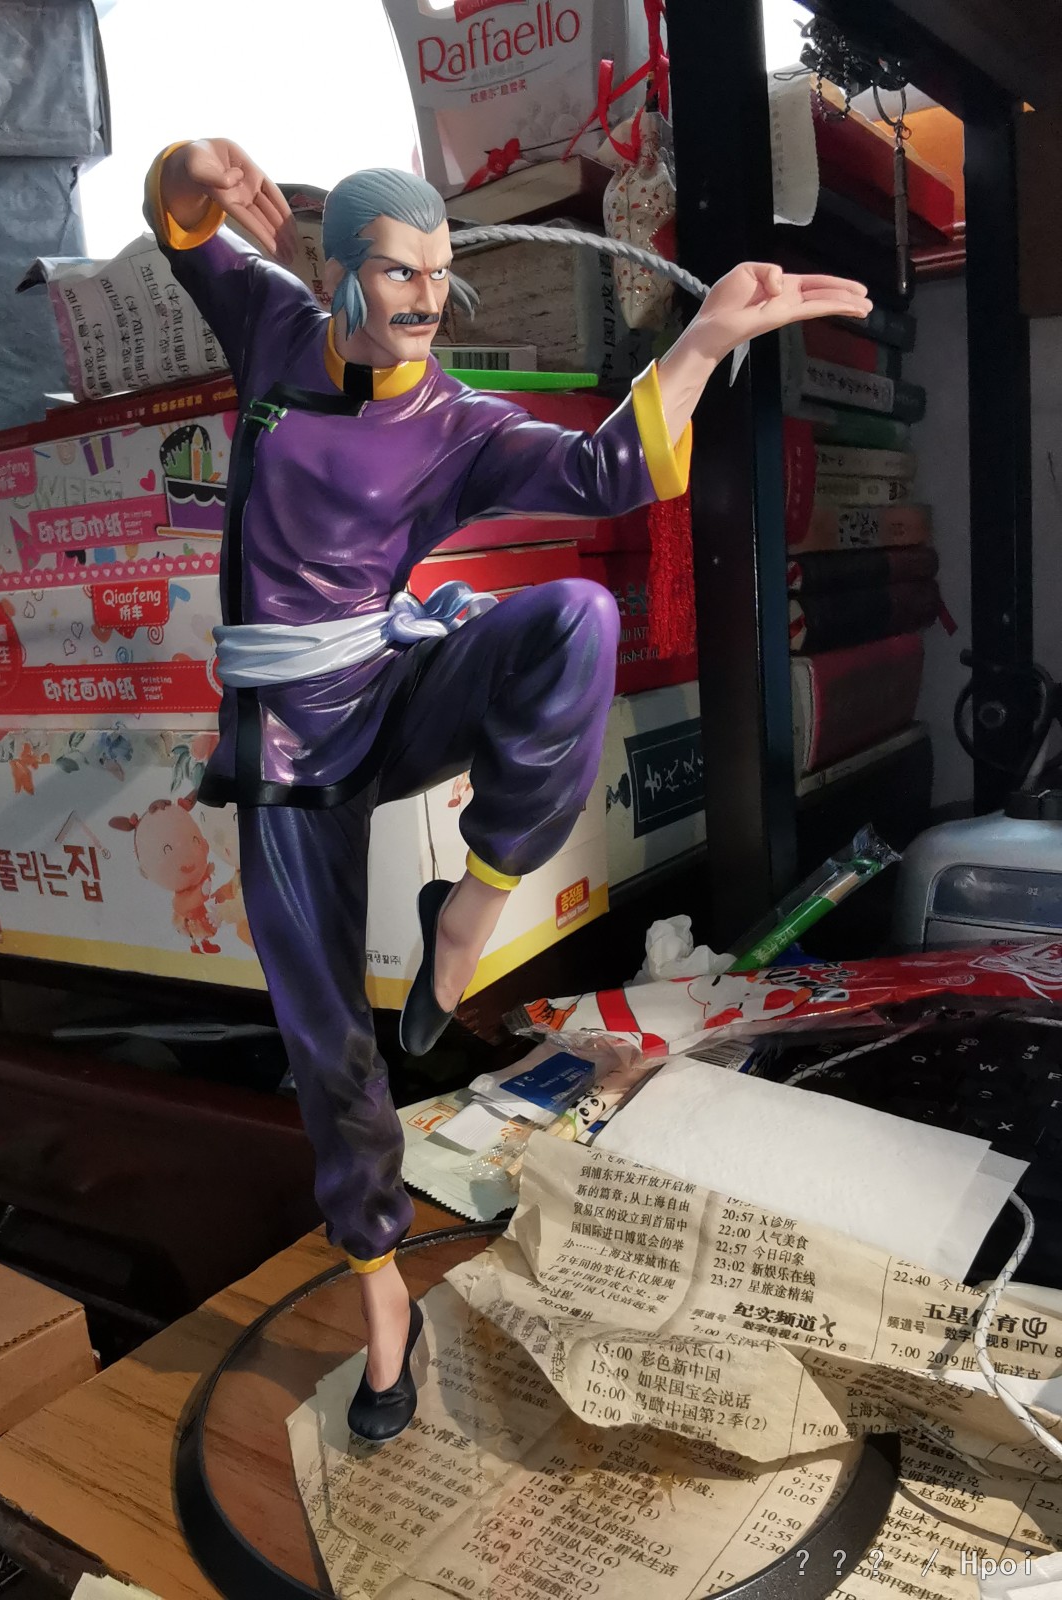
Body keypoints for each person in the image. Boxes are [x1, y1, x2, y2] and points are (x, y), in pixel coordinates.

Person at [145, 138, 870, 1441]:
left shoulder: (454, 422)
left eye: (439, 274)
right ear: (336, 272)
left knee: (578, 619)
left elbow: (605, 473)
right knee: (325, 1037)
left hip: (385, 692)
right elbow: (181, 223)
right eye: (398, 274)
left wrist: (706, 338)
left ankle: (468, 913)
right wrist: (196, 165)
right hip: (285, 753)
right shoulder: (268, 329)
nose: (425, 300)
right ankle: (381, 1293)